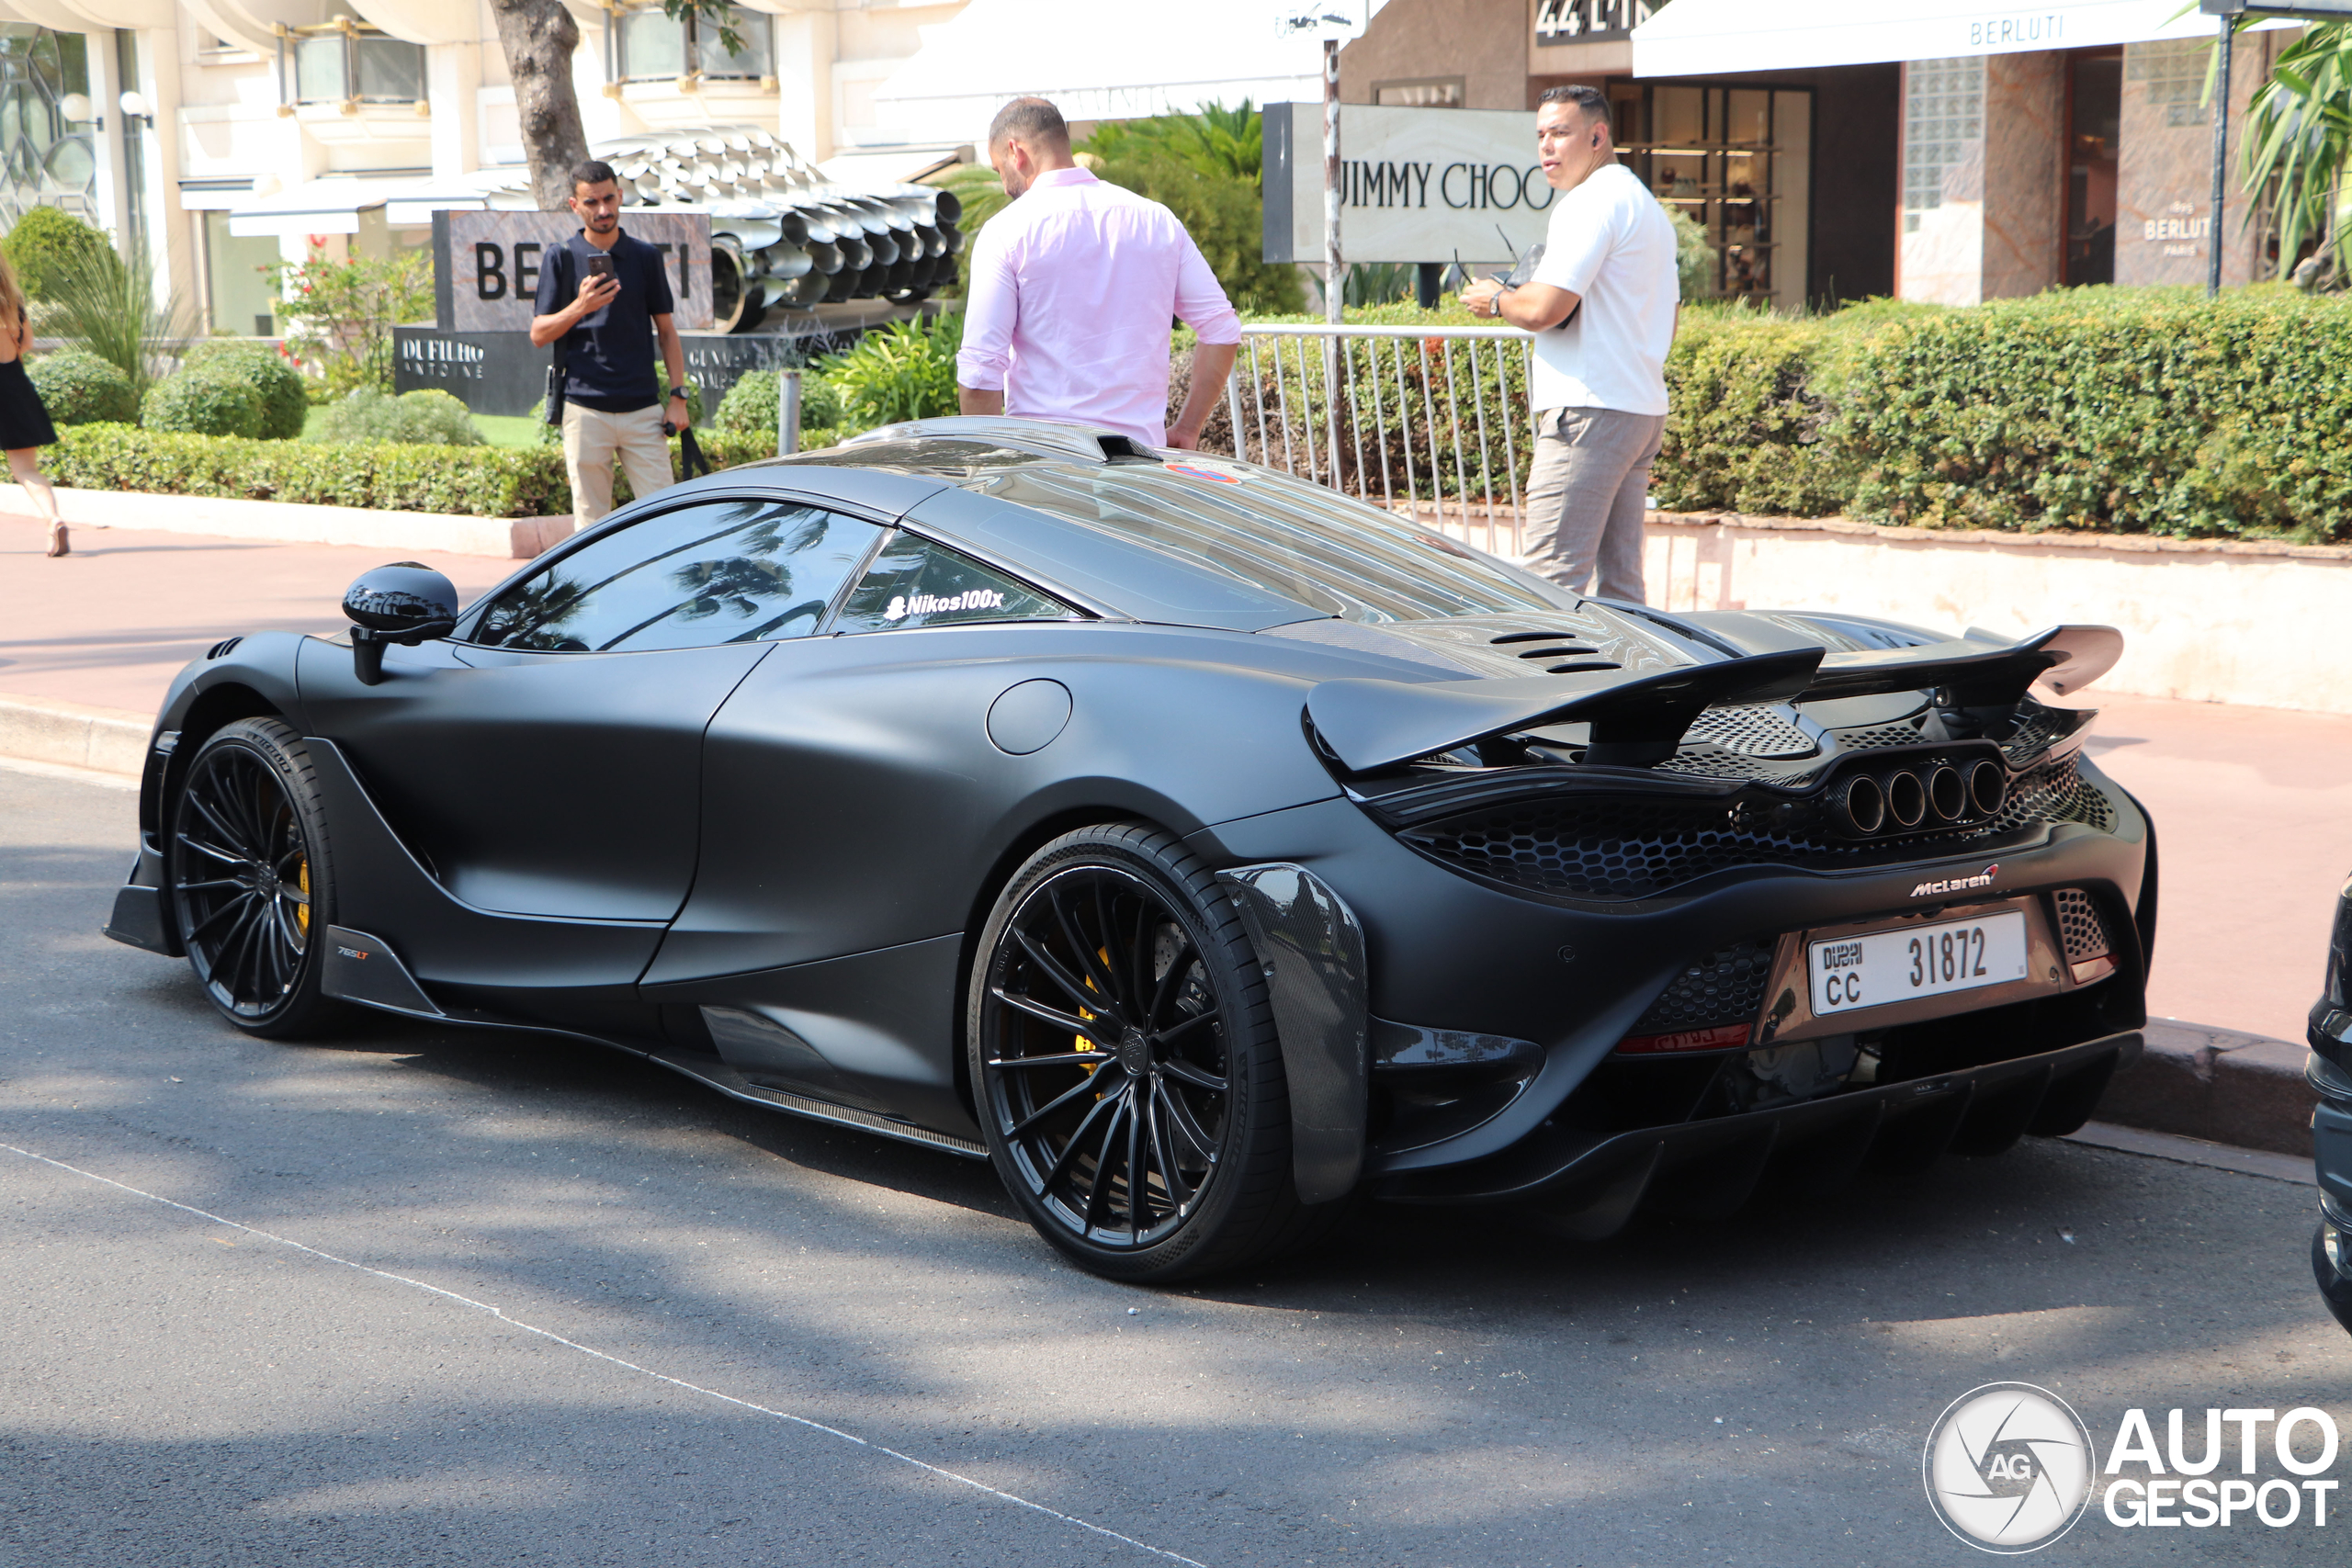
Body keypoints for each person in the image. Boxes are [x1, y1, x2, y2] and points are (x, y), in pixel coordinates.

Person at [1462, 84, 1678, 603]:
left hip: (1588, 412)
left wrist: (1495, 299)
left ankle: (1545, 687)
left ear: (1598, 136)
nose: (1547, 147)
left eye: (1560, 133)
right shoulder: (1646, 206)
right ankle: (1641, 682)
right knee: (1623, 590)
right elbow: (1668, 322)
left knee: (1547, 586)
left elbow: (1542, 309)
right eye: (1541, 135)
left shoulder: (1590, 204)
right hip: (1638, 409)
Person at [956, 96, 1240, 448]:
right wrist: (1187, 428)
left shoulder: (1005, 232)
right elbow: (1222, 328)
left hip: (1049, 465)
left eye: (999, 170)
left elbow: (980, 370)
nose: (1004, 185)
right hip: (1141, 463)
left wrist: (991, 463)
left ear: (1016, 152)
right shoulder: (1157, 220)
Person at [530, 160, 692, 533]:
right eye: (591, 202)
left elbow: (666, 331)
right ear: (575, 205)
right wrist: (581, 306)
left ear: (620, 197)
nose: (602, 210)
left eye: (608, 199)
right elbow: (539, 334)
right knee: (590, 525)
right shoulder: (562, 256)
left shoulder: (645, 256)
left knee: (664, 518)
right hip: (586, 411)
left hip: (643, 410)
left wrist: (678, 396)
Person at [0, 251, 65, 556]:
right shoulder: (13, 304)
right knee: (26, 469)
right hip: (14, 389)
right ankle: (53, 519)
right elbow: (26, 345)